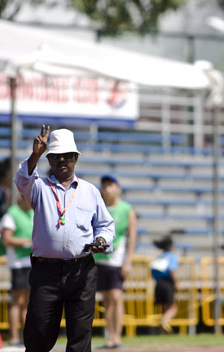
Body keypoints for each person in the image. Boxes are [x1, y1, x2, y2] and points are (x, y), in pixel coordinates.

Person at [14, 125, 114, 352]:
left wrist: (101, 240)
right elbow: (22, 181)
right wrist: (34, 155)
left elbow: (105, 225)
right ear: (48, 160)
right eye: (56, 156)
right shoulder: (39, 188)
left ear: (76, 158)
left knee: (80, 334)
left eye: (68, 156)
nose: (63, 161)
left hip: (82, 270)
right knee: (38, 332)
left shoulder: (90, 191)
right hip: (46, 272)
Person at [95, 174, 137, 349]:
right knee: (106, 298)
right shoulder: (99, 207)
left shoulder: (127, 209)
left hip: (116, 260)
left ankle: (116, 337)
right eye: (104, 186)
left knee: (116, 296)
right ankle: (110, 336)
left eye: (110, 185)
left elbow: (132, 236)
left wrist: (128, 261)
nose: (107, 189)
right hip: (98, 260)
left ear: (118, 188)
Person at [0, 195, 34, 346]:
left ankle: (25, 337)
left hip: (32, 263)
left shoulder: (33, 213)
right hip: (18, 264)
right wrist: (28, 243)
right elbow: (7, 239)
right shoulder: (11, 214)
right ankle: (14, 337)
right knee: (17, 301)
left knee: (27, 303)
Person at [149, 235, 178, 334]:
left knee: (164, 308)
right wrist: (176, 283)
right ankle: (164, 321)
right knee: (173, 308)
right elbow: (171, 270)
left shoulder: (159, 257)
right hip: (167, 283)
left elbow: (152, 271)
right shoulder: (171, 256)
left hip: (158, 283)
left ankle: (162, 331)